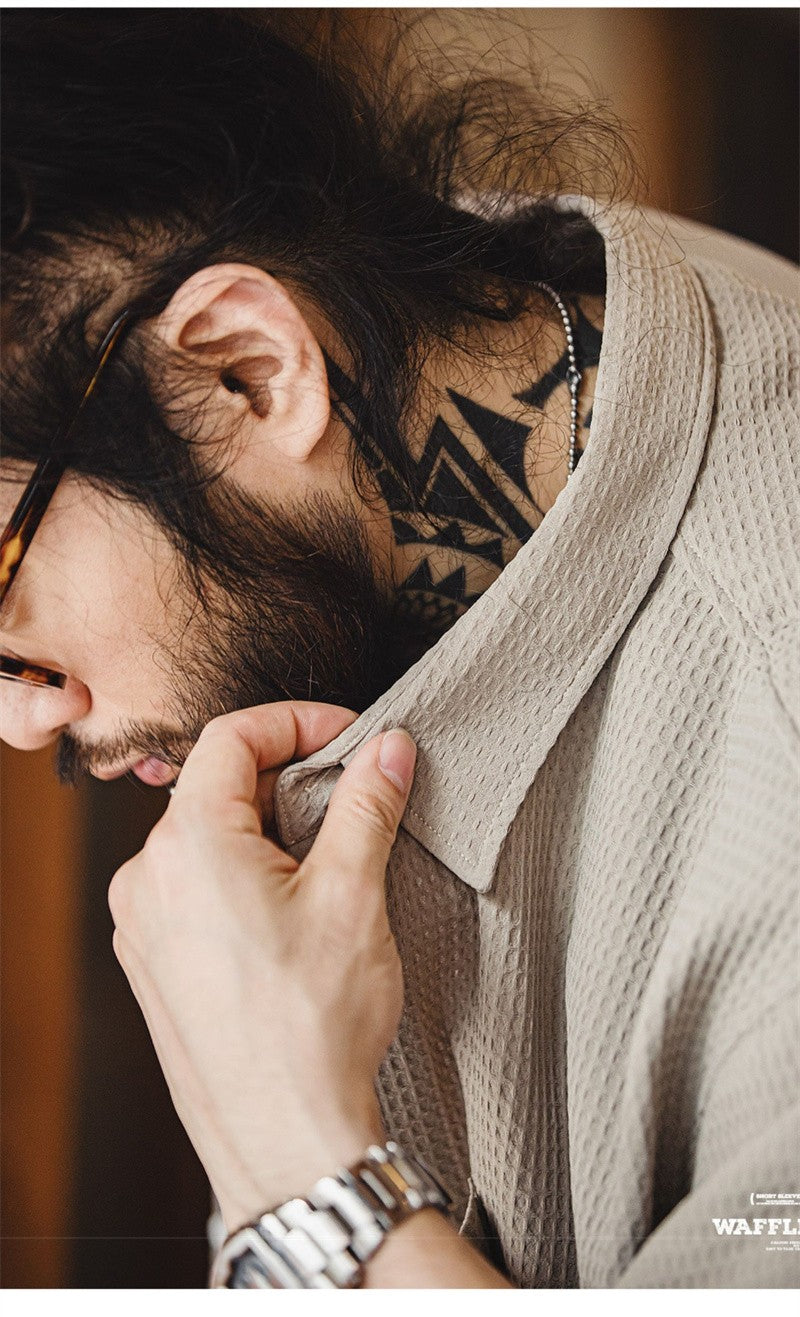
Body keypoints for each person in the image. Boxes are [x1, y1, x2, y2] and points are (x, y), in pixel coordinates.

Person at [1, 11, 798, 1290]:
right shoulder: (467, 304)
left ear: (245, 372)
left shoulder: (770, 740)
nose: (21, 720)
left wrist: (303, 1173)